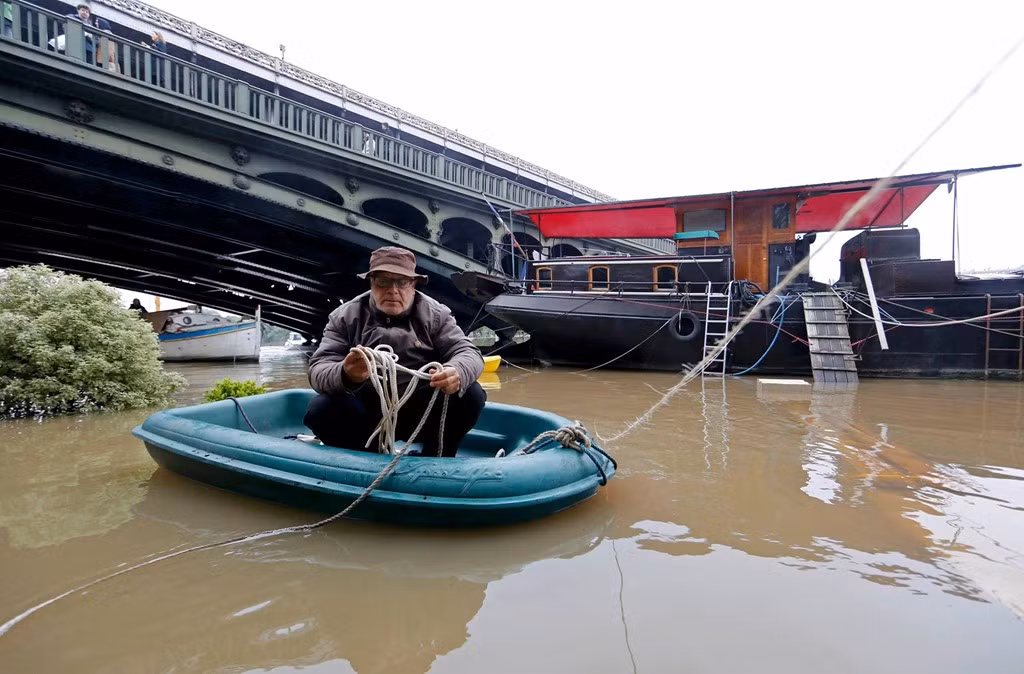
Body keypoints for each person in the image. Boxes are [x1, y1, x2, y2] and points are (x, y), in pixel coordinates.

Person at [304, 246, 486, 457]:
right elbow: (318, 369)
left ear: (414, 284)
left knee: (471, 394)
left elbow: (468, 352)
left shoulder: (436, 315)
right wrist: (346, 373)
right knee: (321, 409)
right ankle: (365, 459)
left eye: (402, 282)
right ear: (371, 282)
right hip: (367, 412)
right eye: (383, 281)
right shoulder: (344, 317)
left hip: (421, 412)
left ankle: (437, 457)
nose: (393, 290)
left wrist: (456, 371)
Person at [65, 3, 113, 69]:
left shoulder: (90, 27)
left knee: (89, 58)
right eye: (83, 10)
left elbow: (96, 41)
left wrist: (90, 37)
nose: (85, 13)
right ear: (78, 10)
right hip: (75, 44)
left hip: (89, 48)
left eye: (87, 12)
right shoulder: (72, 17)